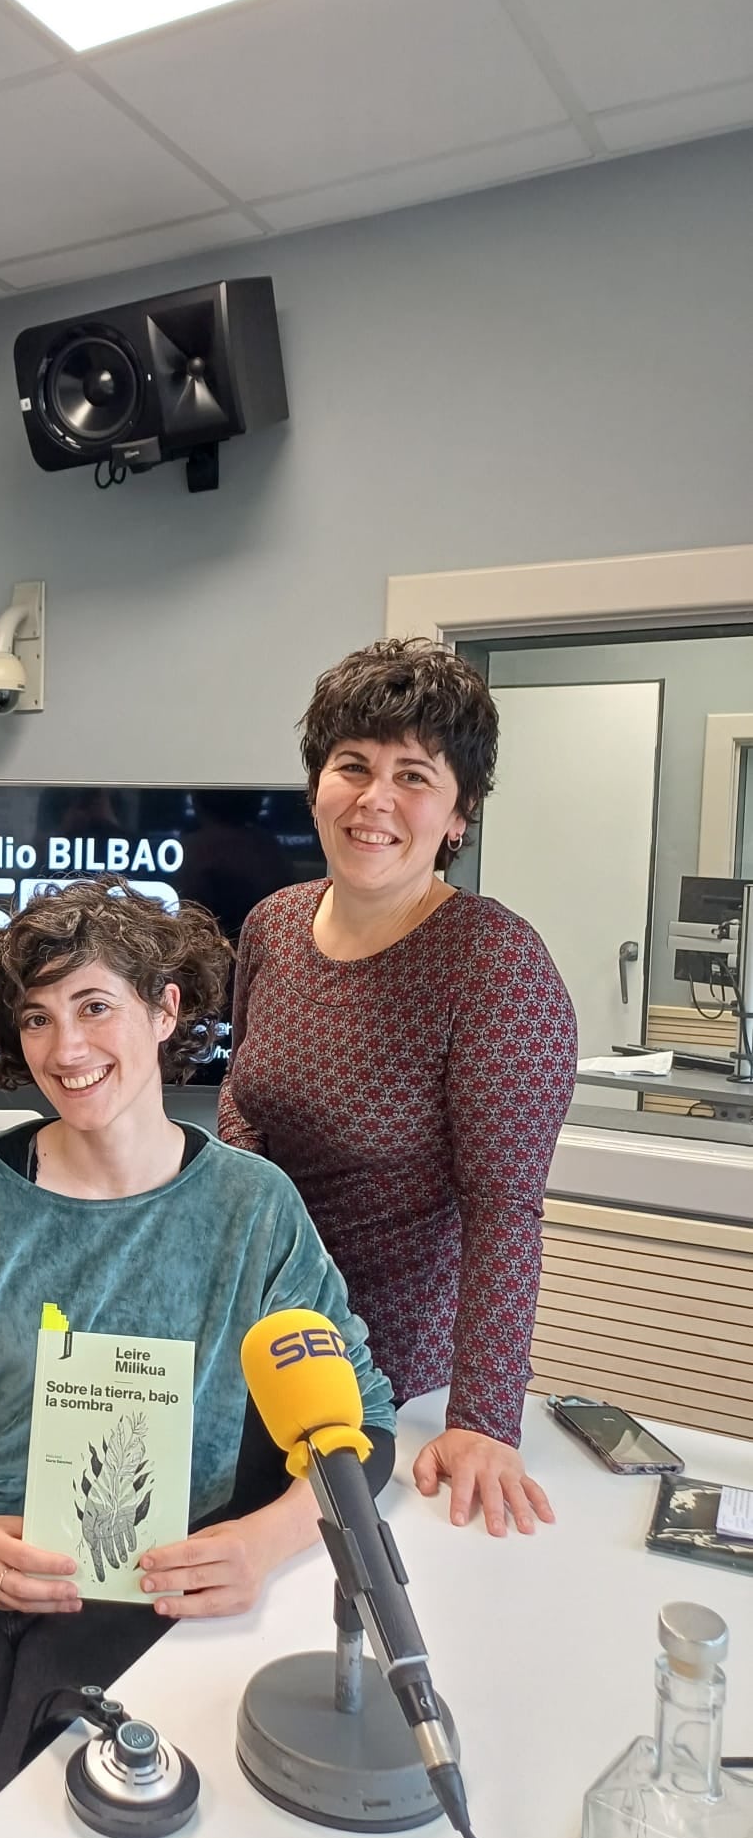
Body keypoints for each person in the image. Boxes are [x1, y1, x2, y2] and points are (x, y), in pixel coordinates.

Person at [0, 878, 396, 1838]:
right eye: (39, 1019)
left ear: (166, 1007)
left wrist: (263, 1543)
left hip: (141, 1574)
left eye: (96, 1006)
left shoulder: (250, 1207)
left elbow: (358, 1420)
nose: (68, 1049)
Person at [218, 638, 577, 1541]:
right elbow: (242, 1097)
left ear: (460, 815)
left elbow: (505, 1208)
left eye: (415, 775)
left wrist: (483, 1420)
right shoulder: (273, 924)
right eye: (353, 766)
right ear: (317, 786)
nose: (377, 800)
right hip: (256, 1333)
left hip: (391, 1374)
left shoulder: (494, 964)